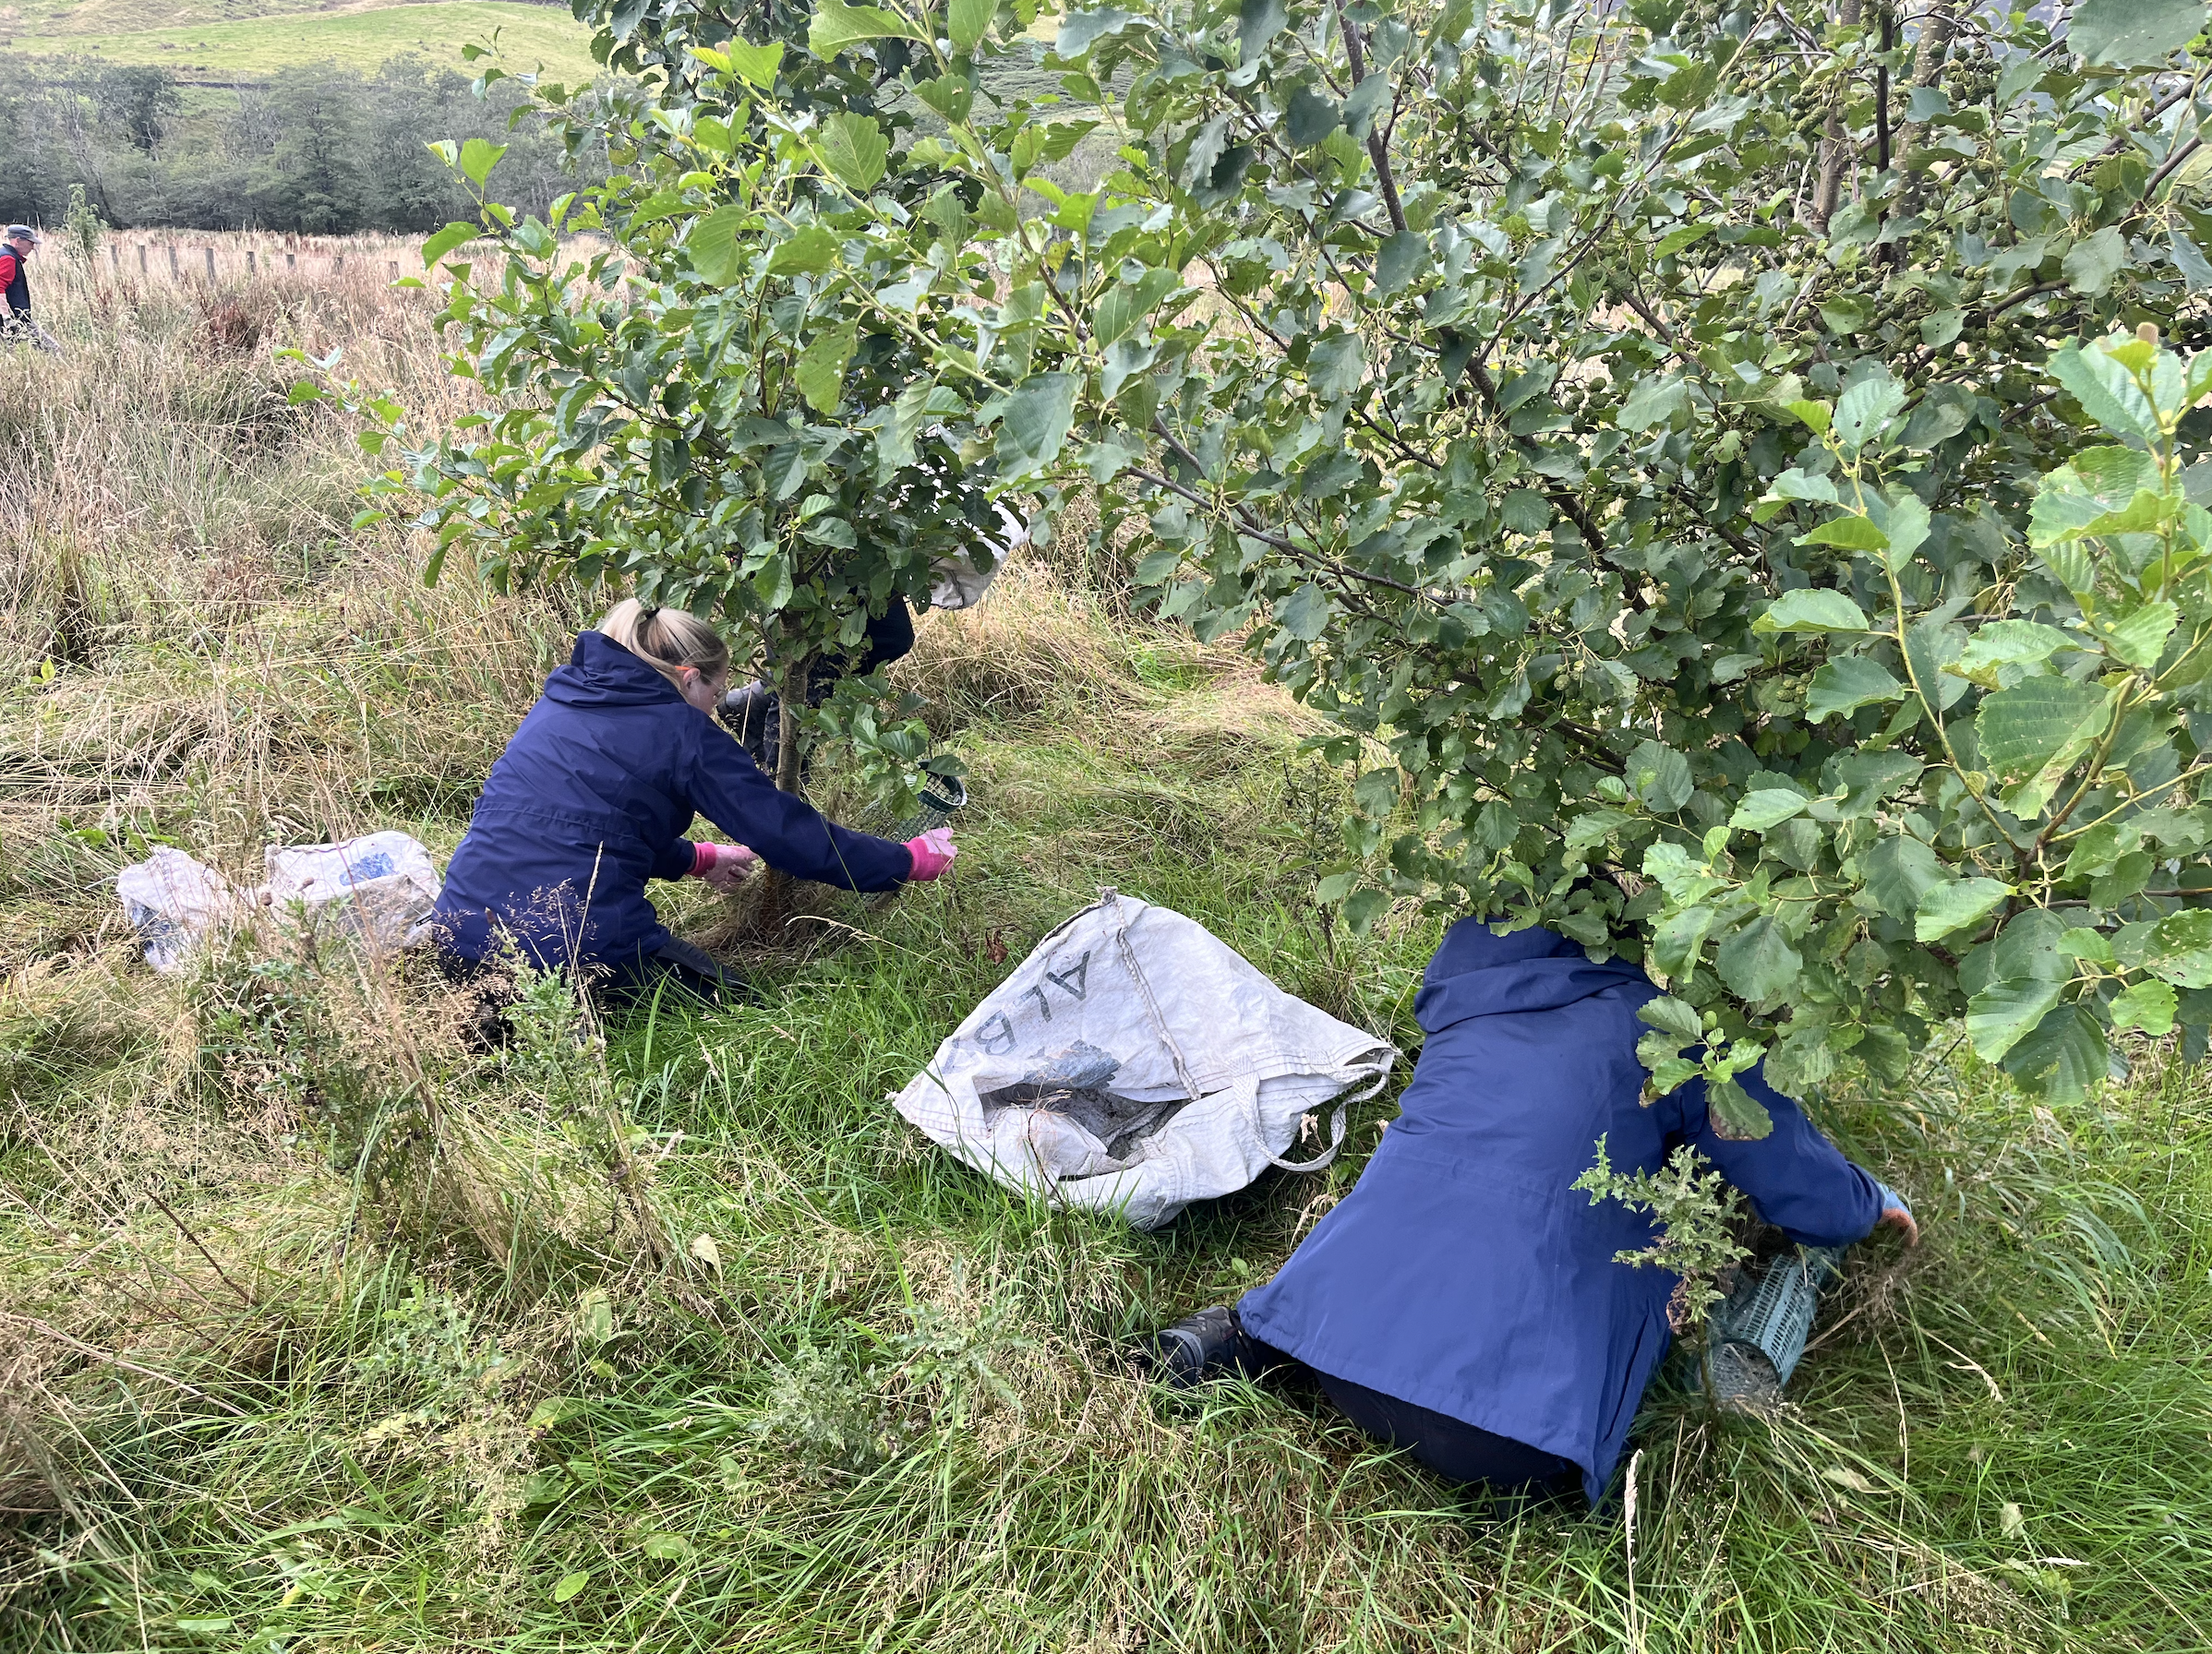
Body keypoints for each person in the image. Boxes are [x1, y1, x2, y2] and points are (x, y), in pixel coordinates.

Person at [1148, 918, 1917, 1508]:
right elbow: (1805, 1190)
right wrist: (1866, 1201)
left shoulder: (1460, 1019)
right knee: (1749, 1236)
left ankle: (1246, 1339)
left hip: (1332, 1354)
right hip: (1515, 1443)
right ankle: (1725, 1383)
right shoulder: (1669, 1032)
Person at [426, 599, 957, 1004]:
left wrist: (699, 859)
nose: (714, 710)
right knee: (749, 1010)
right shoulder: (682, 729)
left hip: (457, 943)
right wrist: (903, 862)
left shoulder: (558, 704)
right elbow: (781, 831)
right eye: (714, 693)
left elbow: (584, 828)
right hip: (576, 956)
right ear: (688, 678)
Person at [1, 225, 60, 354]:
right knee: (53, 349)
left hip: (13, 318)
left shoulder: (4, 255)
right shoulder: (8, 258)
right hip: (16, 318)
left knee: (10, 353)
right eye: (30, 243)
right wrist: (6, 317)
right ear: (17, 241)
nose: (33, 247)